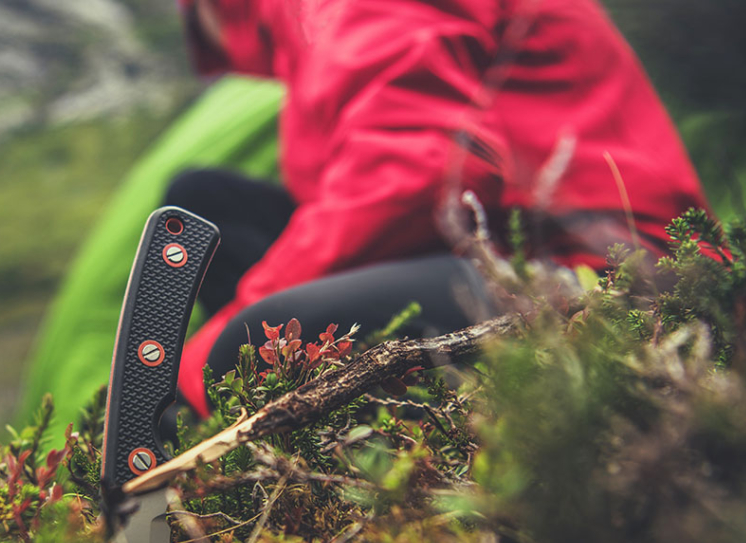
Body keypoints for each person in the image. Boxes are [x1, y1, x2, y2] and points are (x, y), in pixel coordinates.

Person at [171, 0, 707, 414]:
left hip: (611, 276)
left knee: (248, 343)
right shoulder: (304, 29)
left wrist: (218, 338)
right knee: (205, 204)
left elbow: (414, 176)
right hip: (490, 243)